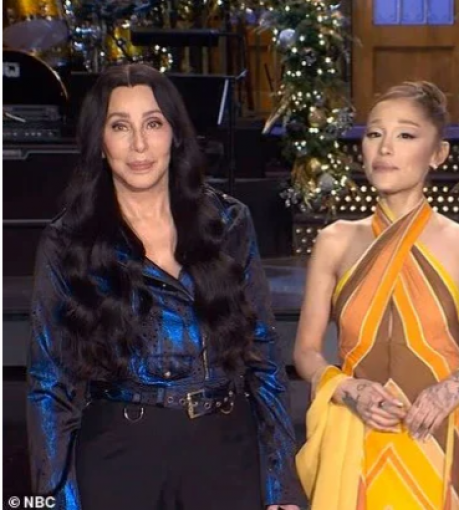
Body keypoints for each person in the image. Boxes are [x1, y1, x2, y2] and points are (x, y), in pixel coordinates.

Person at [27, 64, 303, 510]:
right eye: (121, 126)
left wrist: (281, 485)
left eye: (153, 124)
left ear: (175, 134)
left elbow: (264, 356)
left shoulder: (228, 222)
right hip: (119, 453)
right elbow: (48, 385)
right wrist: (55, 501)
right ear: (100, 142)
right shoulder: (68, 241)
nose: (139, 144)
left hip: (224, 451)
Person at [293, 81, 459, 509]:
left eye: (406, 135)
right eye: (374, 133)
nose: (385, 148)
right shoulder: (335, 241)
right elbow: (305, 352)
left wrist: (456, 386)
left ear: (438, 153)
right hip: (355, 442)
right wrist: (348, 389)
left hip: (435, 439)